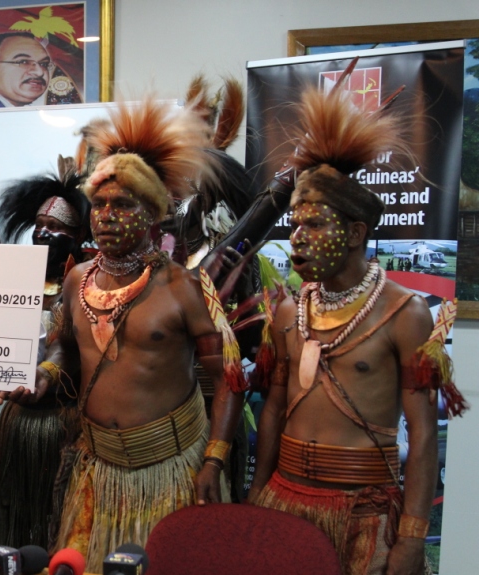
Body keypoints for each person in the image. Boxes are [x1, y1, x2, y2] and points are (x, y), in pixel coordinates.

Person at [248, 85, 468, 575]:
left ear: (354, 233)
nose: (298, 238)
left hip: (363, 516)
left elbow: (423, 434)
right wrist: (259, 494)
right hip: (285, 502)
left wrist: (411, 536)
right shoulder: (288, 313)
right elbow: (274, 410)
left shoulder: (405, 313)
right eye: (295, 224)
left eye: (314, 225)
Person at [41, 98, 247, 573]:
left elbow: (229, 381)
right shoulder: (77, 280)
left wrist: (213, 461)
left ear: (153, 213)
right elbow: (65, 348)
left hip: (170, 469)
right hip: (97, 471)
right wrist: (46, 374)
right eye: (99, 205)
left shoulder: (184, 288)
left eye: (123, 205)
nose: (106, 216)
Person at [0, 169, 90, 549]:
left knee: (58, 516)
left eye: (55, 227)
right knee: (14, 515)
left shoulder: (87, 288)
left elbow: (72, 349)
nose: (43, 233)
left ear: (77, 236)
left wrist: (48, 373)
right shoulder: (17, 281)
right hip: (18, 420)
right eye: (39, 225)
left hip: (63, 420)